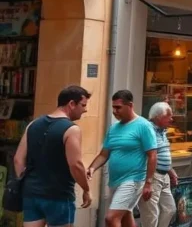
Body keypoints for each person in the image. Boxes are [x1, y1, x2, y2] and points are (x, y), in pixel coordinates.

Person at [14, 85, 92, 227]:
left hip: (32, 193)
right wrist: (86, 189)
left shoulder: (33, 124)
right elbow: (76, 165)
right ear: (71, 104)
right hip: (59, 195)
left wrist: (26, 183)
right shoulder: (71, 129)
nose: (85, 109)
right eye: (83, 105)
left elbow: (18, 159)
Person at [87, 90, 157, 227]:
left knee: (111, 218)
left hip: (133, 180)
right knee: (125, 218)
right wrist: (92, 168)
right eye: (113, 107)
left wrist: (148, 183)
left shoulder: (143, 126)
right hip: (114, 181)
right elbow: (104, 154)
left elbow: (152, 155)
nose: (114, 111)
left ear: (130, 105)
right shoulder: (113, 128)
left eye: (118, 107)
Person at [140, 103, 178, 227]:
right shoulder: (148, 130)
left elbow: (162, 153)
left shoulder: (162, 131)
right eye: (168, 116)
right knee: (151, 214)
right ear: (158, 117)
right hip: (153, 175)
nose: (171, 119)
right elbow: (150, 155)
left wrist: (170, 171)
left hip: (164, 175)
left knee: (169, 208)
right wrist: (148, 182)